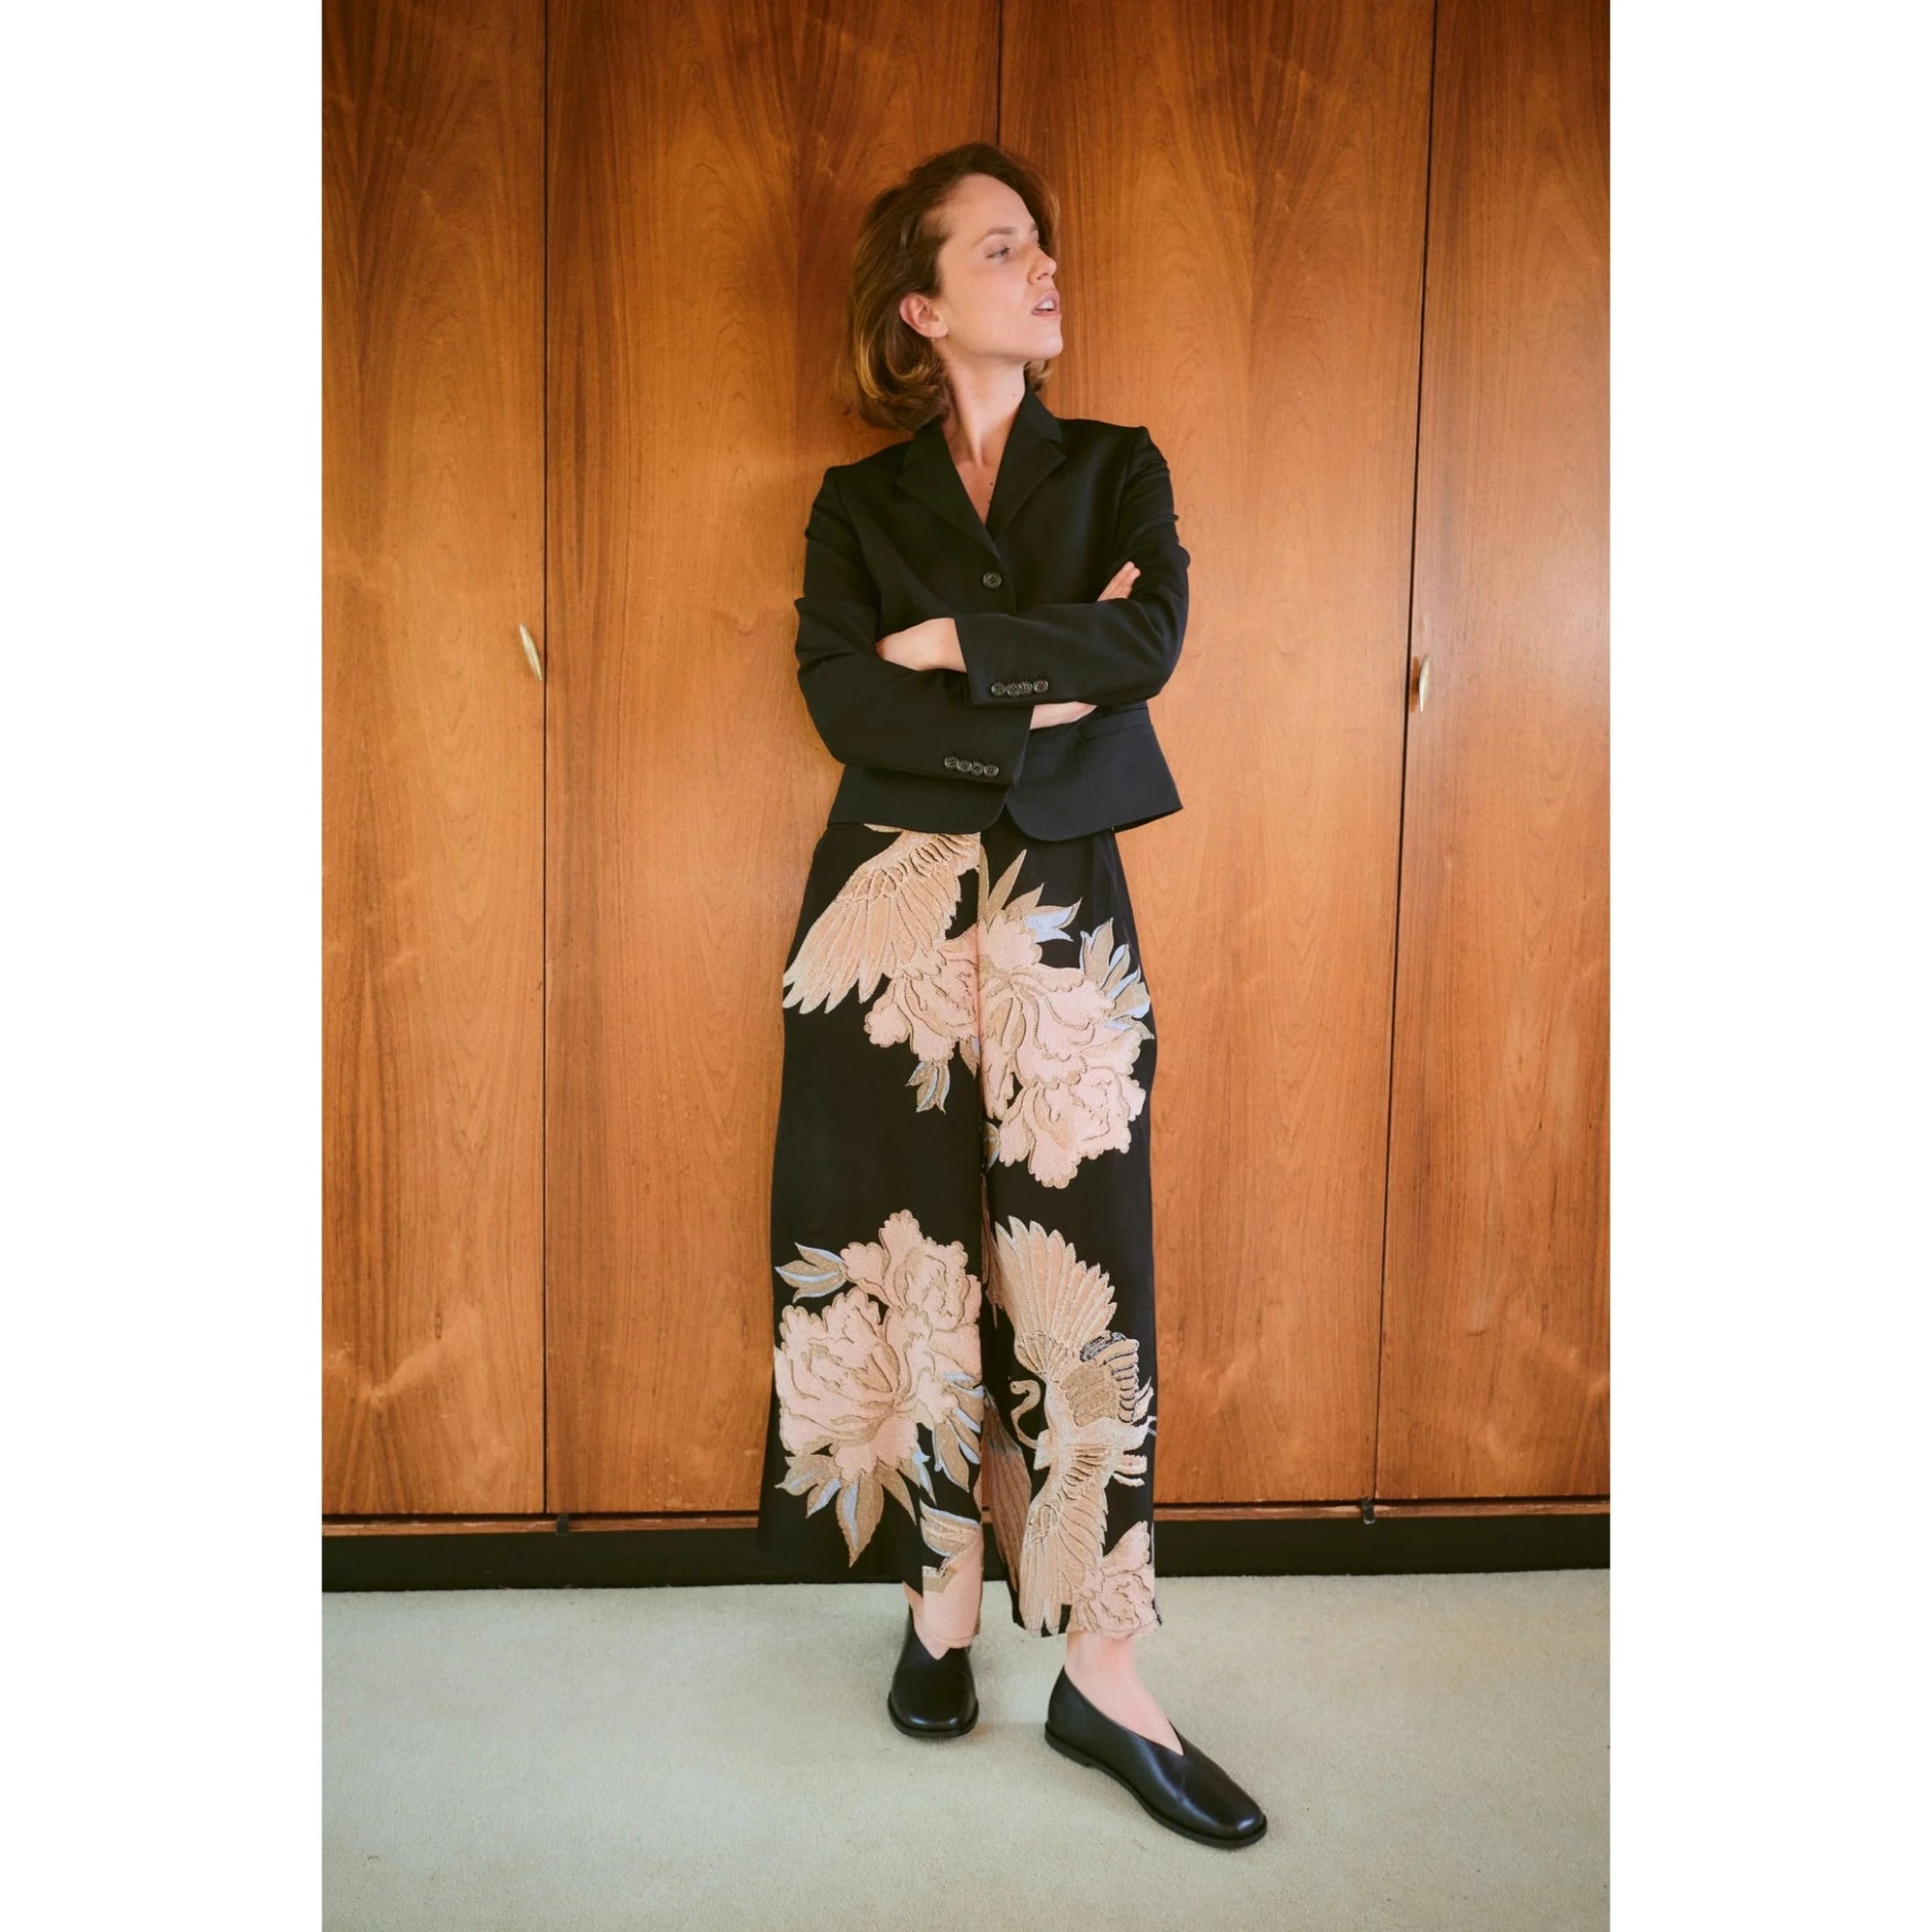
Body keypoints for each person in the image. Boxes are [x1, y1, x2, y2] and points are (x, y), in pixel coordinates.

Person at [754, 142, 1265, 1851]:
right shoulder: (856, 501)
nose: (1042, 266)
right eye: (1000, 247)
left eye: (1042, 242)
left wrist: (959, 652)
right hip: (882, 911)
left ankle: (1104, 1665)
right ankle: (941, 1595)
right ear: (923, 305)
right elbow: (841, 702)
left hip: (1060, 902)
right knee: (905, 1250)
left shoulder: (1118, 467)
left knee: (1084, 1260)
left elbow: (1154, 643)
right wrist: (1048, 675)